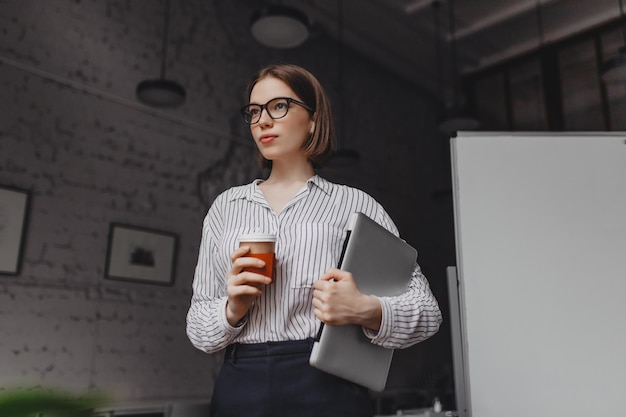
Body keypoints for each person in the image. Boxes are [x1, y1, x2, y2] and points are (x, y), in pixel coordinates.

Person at [186, 63, 442, 417]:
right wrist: (232, 309)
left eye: (279, 106)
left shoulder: (356, 205)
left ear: (314, 120)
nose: (262, 120)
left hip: (328, 386)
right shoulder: (226, 207)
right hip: (240, 388)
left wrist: (365, 309)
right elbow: (199, 330)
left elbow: (428, 312)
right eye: (254, 111)